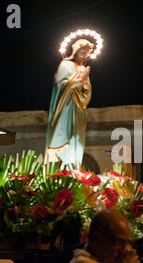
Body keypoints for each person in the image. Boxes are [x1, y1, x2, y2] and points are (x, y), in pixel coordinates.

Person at [45, 38, 93, 169]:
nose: (85, 54)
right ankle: (63, 167)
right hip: (66, 106)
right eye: (83, 50)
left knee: (77, 139)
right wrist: (78, 80)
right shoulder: (65, 65)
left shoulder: (83, 68)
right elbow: (60, 84)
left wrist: (85, 85)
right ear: (76, 50)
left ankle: (75, 167)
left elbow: (87, 92)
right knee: (67, 135)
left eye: (88, 52)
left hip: (79, 109)